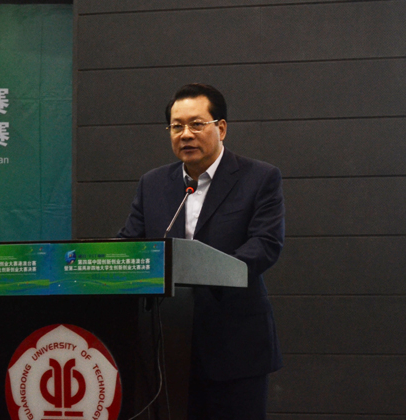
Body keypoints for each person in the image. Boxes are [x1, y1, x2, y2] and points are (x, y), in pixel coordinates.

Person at [117, 83, 285, 419]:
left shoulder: (259, 177)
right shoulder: (153, 184)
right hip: (166, 344)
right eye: (176, 126)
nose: (185, 135)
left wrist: (206, 271)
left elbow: (265, 244)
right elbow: (130, 244)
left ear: (220, 128)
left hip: (234, 344)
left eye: (196, 124)